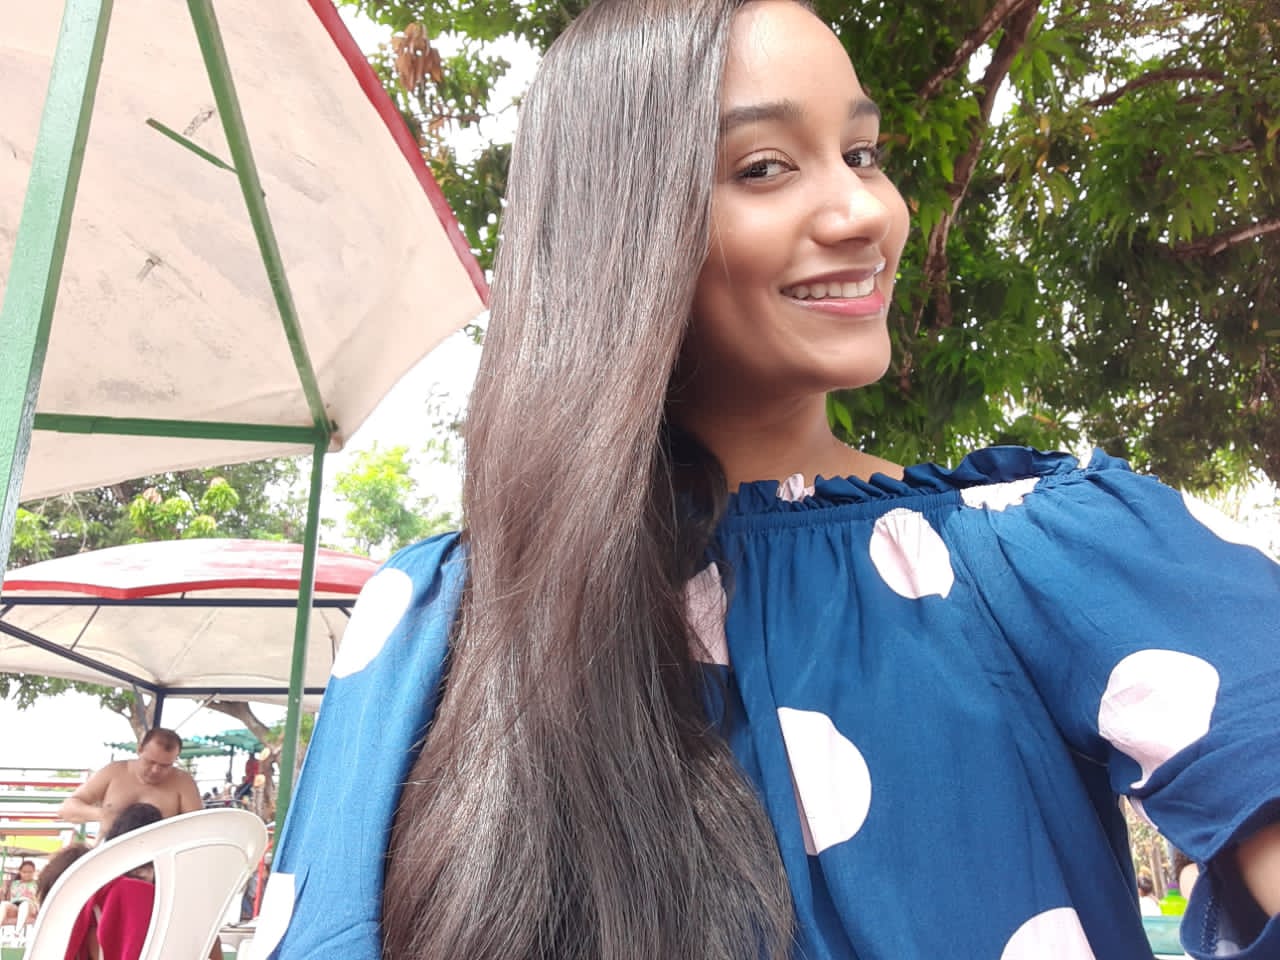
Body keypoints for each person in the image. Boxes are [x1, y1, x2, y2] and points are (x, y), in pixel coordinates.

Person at [258, 2, 1280, 958]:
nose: (864, 211)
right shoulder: (440, 623)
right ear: (620, 231)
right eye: (763, 167)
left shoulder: (1044, 551)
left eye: (861, 154)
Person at [59, 728, 202, 836]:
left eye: (165, 766)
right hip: (109, 853)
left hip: (157, 857)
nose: (155, 770)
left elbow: (198, 827)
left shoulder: (183, 782)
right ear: (139, 750)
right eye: (150, 762)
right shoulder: (114, 771)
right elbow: (66, 809)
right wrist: (102, 815)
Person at [2, 859, 39, 934]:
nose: (27, 874)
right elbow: (11, 899)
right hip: (16, 906)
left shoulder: (37, 884)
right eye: (24, 872)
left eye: (30, 872)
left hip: (30, 907)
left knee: (24, 904)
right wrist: (2, 893)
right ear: (20, 872)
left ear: (34, 872)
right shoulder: (14, 883)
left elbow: (38, 900)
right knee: (4, 904)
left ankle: (17, 932)